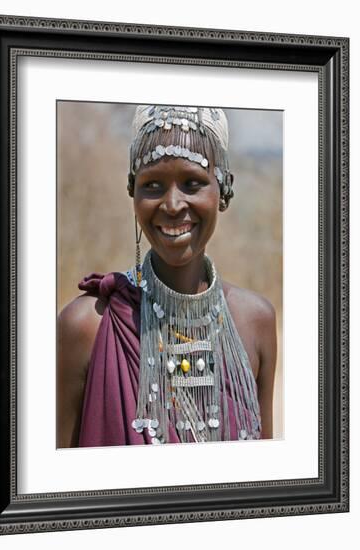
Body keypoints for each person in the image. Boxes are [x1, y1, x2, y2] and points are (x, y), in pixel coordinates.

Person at [57, 105, 277, 448]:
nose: (173, 204)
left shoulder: (256, 321)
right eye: (153, 185)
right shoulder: (87, 326)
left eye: (192, 183)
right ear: (133, 193)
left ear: (224, 190)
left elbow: (266, 482)